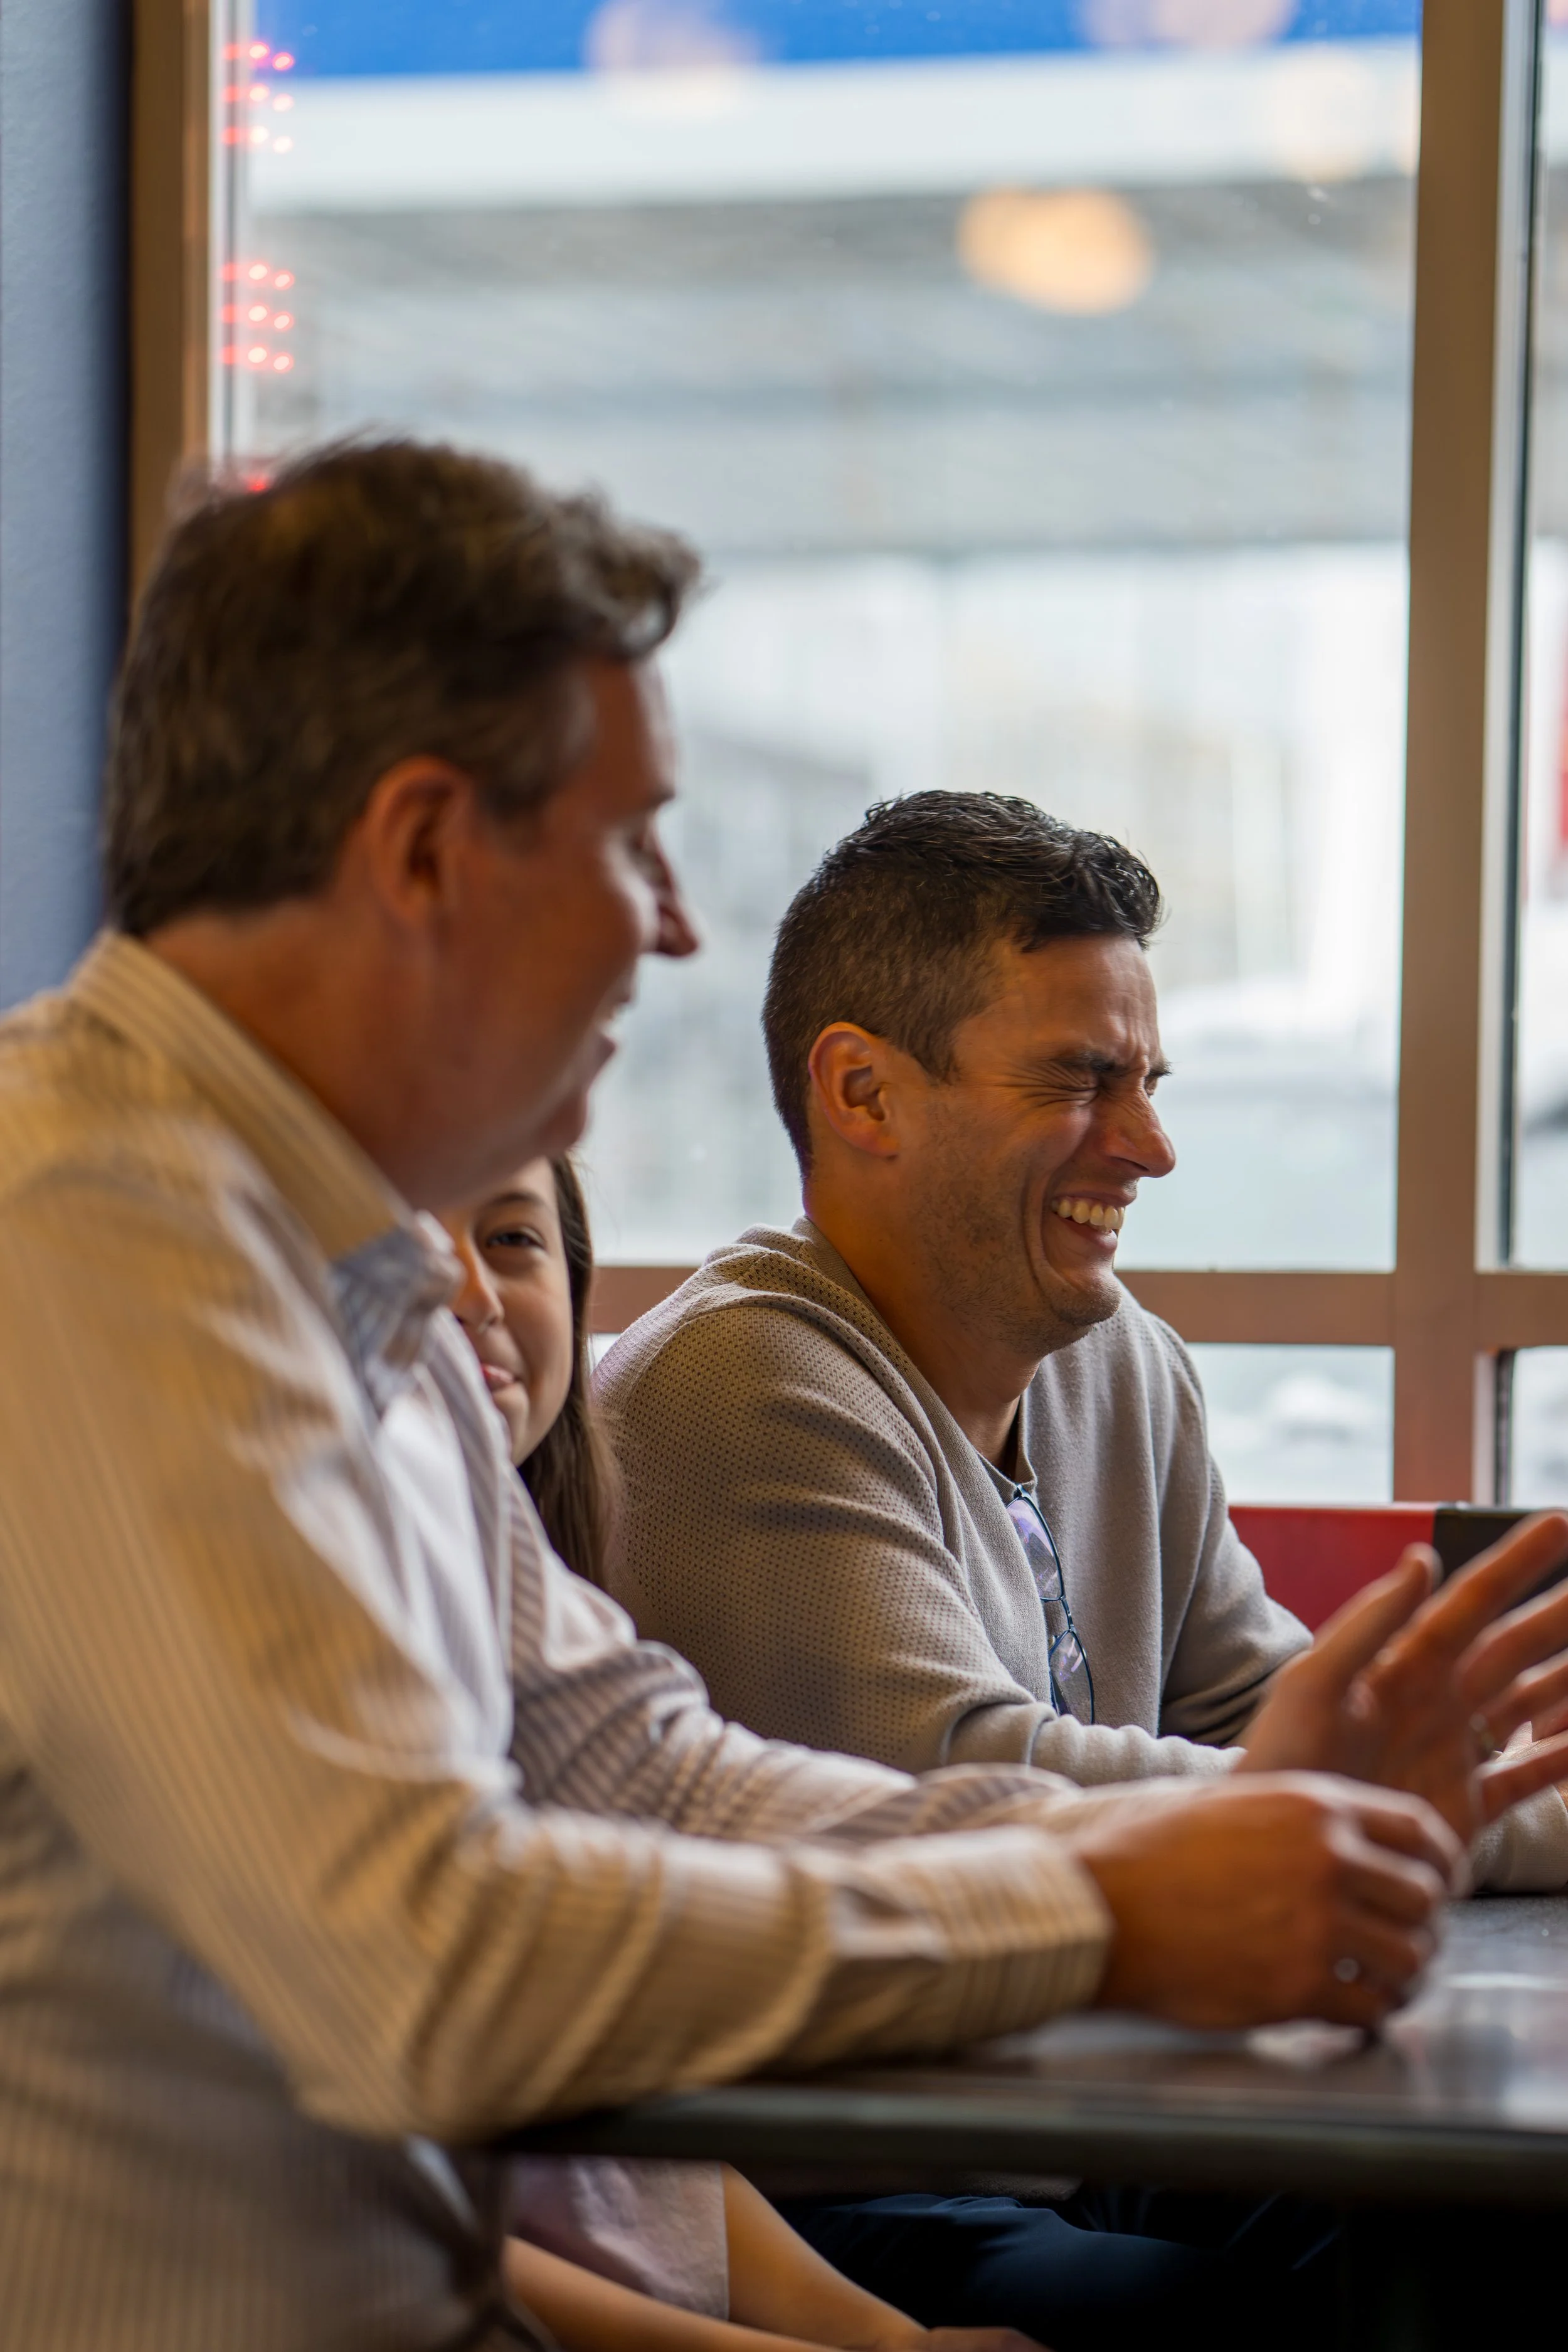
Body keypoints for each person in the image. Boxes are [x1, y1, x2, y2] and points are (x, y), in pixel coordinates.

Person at [0, 440, 1547, 2351]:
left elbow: (650, 1772)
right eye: (633, 840)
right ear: (419, 850)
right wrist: (1111, 1910)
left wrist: (1158, 1845)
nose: (668, 923)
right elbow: (427, 1951)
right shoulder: (87, 1236)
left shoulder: (346, 1277)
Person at [595, 788, 1568, 2337]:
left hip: (1098, 2116)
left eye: (1147, 1081)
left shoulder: (1122, 1365)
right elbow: (982, 1786)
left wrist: (1500, 1777)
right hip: (834, 2184)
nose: (1151, 1145)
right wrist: (1450, 1809)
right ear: (860, 1091)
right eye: (1080, 1079)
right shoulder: (731, 1390)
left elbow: (1267, 1707)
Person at [440, 1156, 1041, 2352]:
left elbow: (655, 2174)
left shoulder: (533, 1596)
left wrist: (879, 2339)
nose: (468, 1291)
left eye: (513, 1241)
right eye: (399, 1235)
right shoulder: (751, 1369)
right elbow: (388, 2220)